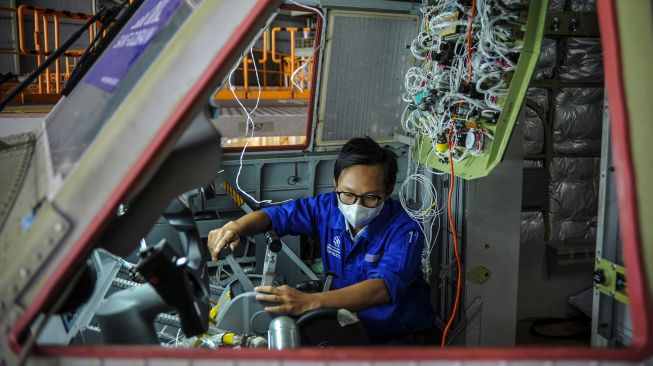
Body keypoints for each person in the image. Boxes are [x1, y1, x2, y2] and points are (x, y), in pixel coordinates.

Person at [207, 137, 435, 343]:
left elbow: (382, 289)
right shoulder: (328, 208)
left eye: (370, 197)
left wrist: (310, 301)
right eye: (347, 194)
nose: (356, 206)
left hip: (394, 331)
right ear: (335, 183)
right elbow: (277, 216)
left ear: (386, 192)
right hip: (345, 319)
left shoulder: (405, 230)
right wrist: (235, 227)